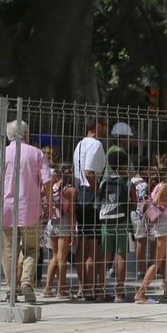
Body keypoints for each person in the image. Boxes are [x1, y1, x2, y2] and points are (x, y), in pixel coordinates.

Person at [0, 119, 53, 304]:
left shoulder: (0, 154)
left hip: (6, 208)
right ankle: (26, 282)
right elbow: (47, 182)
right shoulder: (36, 153)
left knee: (8, 251)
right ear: (25, 134)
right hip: (30, 208)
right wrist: (49, 204)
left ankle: (10, 289)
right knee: (31, 248)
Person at [73, 117, 108, 300]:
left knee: (83, 241)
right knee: (93, 246)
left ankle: (82, 286)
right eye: (105, 125)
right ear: (98, 126)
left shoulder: (79, 145)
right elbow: (89, 172)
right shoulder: (96, 145)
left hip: (80, 194)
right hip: (91, 194)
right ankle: (90, 288)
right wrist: (99, 193)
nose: (106, 129)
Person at [133, 159, 167, 303]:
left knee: (163, 259)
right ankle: (141, 292)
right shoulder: (164, 186)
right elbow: (156, 201)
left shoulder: (157, 185)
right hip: (162, 225)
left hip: (159, 224)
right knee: (157, 262)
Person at [97, 148, 134, 302]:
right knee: (120, 256)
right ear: (125, 165)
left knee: (105, 256)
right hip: (122, 221)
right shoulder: (127, 181)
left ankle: (100, 291)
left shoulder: (105, 181)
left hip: (106, 222)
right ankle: (119, 292)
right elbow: (133, 203)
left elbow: (99, 201)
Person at [42, 162, 76, 300]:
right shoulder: (71, 191)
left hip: (52, 223)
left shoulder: (54, 187)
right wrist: (73, 230)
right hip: (64, 224)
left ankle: (47, 288)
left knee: (54, 257)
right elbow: (72, 213)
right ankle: (61, 290)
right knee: (63, 258)